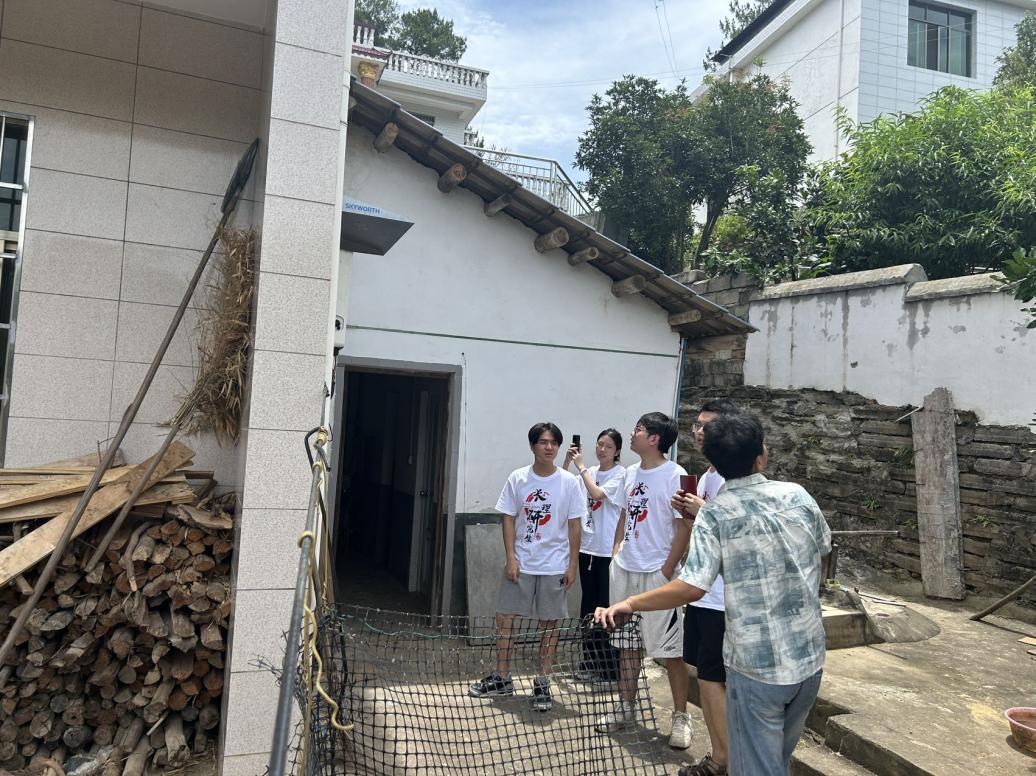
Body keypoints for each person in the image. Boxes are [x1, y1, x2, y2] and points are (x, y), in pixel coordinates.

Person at [596, 413, 832, 776]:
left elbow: (692, 585)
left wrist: (630, 603)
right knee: (775, 761)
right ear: (761, 456)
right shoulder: (796, 495)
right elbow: (823, 547)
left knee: (755, 766)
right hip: (809, 659)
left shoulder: (715, 513)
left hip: (757, 669)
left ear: (715, 463)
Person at [469, 421, 583, 712]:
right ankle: (502, 676)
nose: (549, 447)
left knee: (550, 624)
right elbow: (508, 518)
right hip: (521, 562)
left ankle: (543, 681)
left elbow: (574, 525)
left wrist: (572, 565)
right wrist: (511, 556)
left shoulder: (569, 482)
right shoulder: (518, 478)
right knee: (504, 618)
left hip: (554, 565)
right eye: (543, 442)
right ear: (533, 446)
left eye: (554, 443)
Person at [596, 412, 693, 750]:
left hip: (657, 574)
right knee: (627, 645)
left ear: (654, 439)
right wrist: (616, 552)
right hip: (625, 569)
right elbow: (624, 514)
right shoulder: (630, 473)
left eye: (638, 429)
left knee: (671, 651)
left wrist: (667, 570)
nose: (632, 433)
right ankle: (625, 708)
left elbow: (684, 526)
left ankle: (681, 717)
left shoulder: (676, 474)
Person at [671, 400, 741, 776]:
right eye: (697, 425)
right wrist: (687, 511)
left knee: (715, 680)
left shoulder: (734, 479)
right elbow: (702, 532)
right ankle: (720, 753)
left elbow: (736, 535)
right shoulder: (707, 477)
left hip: (721, 598)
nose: (700, 432)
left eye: (708, 426)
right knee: (707, 677)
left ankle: (722, 760)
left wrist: (703, 510)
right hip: (701, 590)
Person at [564, 429, 625, 683]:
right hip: (586, 548)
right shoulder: (589, 471)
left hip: (606, 551)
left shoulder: (620, 474)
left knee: (605, 607)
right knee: (587, 607)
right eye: (599, 444)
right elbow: (566, 487)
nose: (602, 450)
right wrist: (569, 462)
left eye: (608, 446)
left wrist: (581, 468)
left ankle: (608, 668)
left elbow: (598, 494)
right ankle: (588, 662)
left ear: (617, 451)